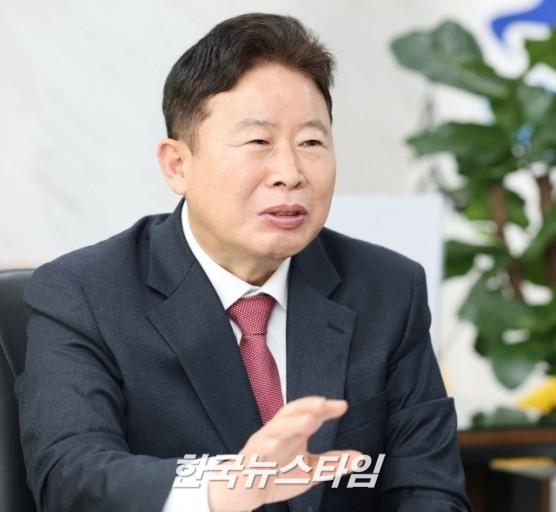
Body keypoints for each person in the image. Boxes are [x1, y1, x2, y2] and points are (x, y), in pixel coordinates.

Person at [16, 12, 470, 512]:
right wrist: (225, 487)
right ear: (177, 165)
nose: (290, 173)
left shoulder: (386, 288)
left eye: (311, 143)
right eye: (258, 142)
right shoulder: (85, 294)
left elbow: (428, 489)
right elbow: (71, 476)